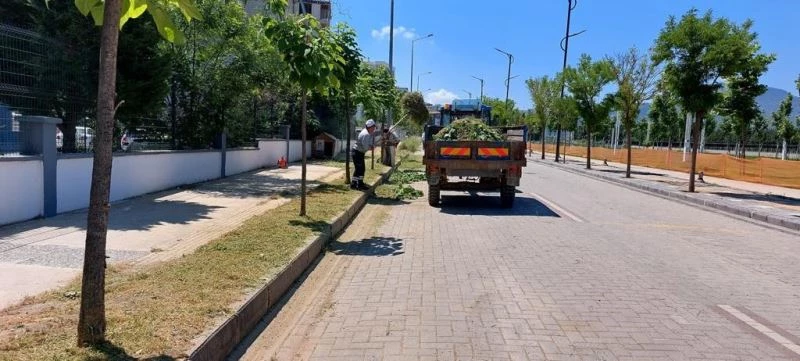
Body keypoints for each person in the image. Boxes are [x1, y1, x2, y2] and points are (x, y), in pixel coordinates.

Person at [351, 119, 377, 190]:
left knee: (361, 169)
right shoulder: (366, 134)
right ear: (370, 127)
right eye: (373, 127)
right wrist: (371, 147)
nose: (374, 128)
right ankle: (356, 184)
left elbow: (368, 143)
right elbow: (366, 147)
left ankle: (358, 183)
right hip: (357, 152)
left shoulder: (367, 133)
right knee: (359, 168)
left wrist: (371, 145)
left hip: (359, 152)